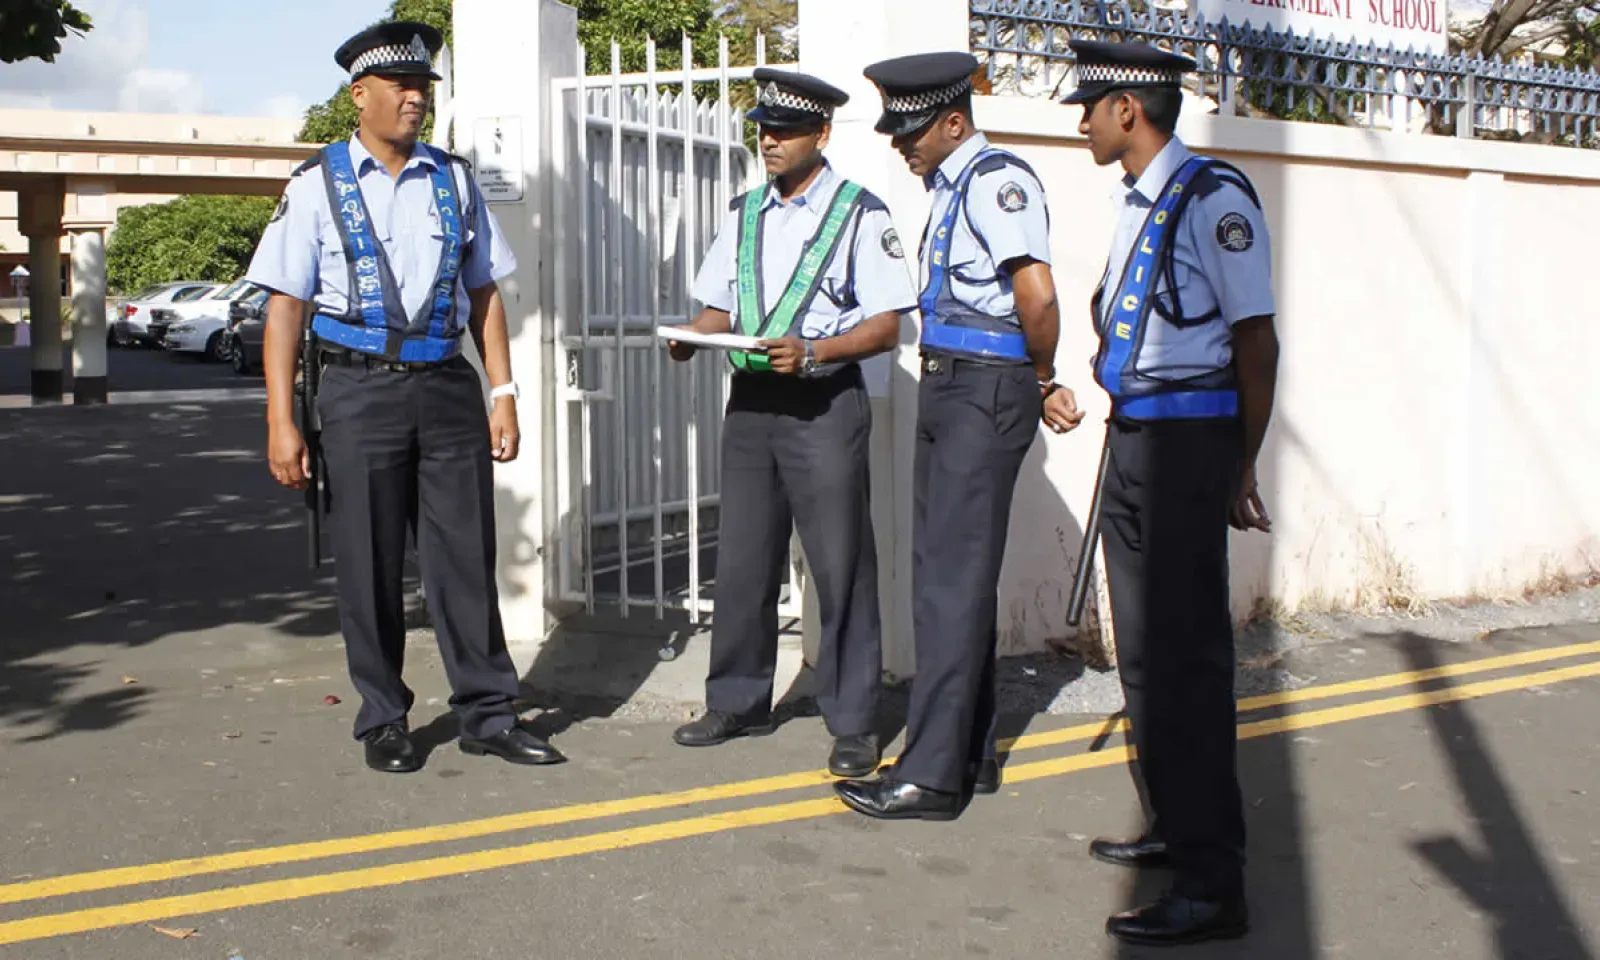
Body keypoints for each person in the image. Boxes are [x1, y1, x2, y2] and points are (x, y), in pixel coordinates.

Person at [246, 20, 565, 774]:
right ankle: (383, 717)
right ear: (361, 95)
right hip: (358, 391)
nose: (416, 98)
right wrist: (281, 419)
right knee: (369, 561)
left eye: (423, 86)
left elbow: (483, 293)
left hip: (447, 387)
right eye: (401, 86)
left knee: (466, 558)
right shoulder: (315, 185)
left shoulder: (453, 179)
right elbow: (285, 307)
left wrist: (503, 392)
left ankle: (488, 713)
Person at [1058, 39, 1278, 946]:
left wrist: (1241, 463)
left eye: (1090, 106)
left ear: (1129, 110)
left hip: (1190, 444)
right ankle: (1176, 823)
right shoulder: (1136, 201)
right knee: (1144, 652)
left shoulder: (1214, 200)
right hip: (1136, 436)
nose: (1081, 121)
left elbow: (1257, 340)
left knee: (1189, 660)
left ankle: (1214, 882)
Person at [834, 52, 1085, 822]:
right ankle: (970, 753)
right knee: (949, 578)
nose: (899, 145)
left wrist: (1041, 377)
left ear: (952, 122)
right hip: (955, 383)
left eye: (910, 131)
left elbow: (1037, 295)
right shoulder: (953, 185)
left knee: (949, 581)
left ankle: (931, 776)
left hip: (983, 387)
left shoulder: (996, 182)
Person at [665, 68, 916, 779]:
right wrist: (692, 334)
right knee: (743, 559)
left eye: (785, 130)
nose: (770, 141)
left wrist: (815, 352)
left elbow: (888, 326)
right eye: (763, 130)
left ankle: (854, 719)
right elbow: (719, 306)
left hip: (822, 403)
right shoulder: (745, 212)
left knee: (840, 564)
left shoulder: (859, 214)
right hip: (751, 403)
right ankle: (737, 701)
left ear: (821, 134)